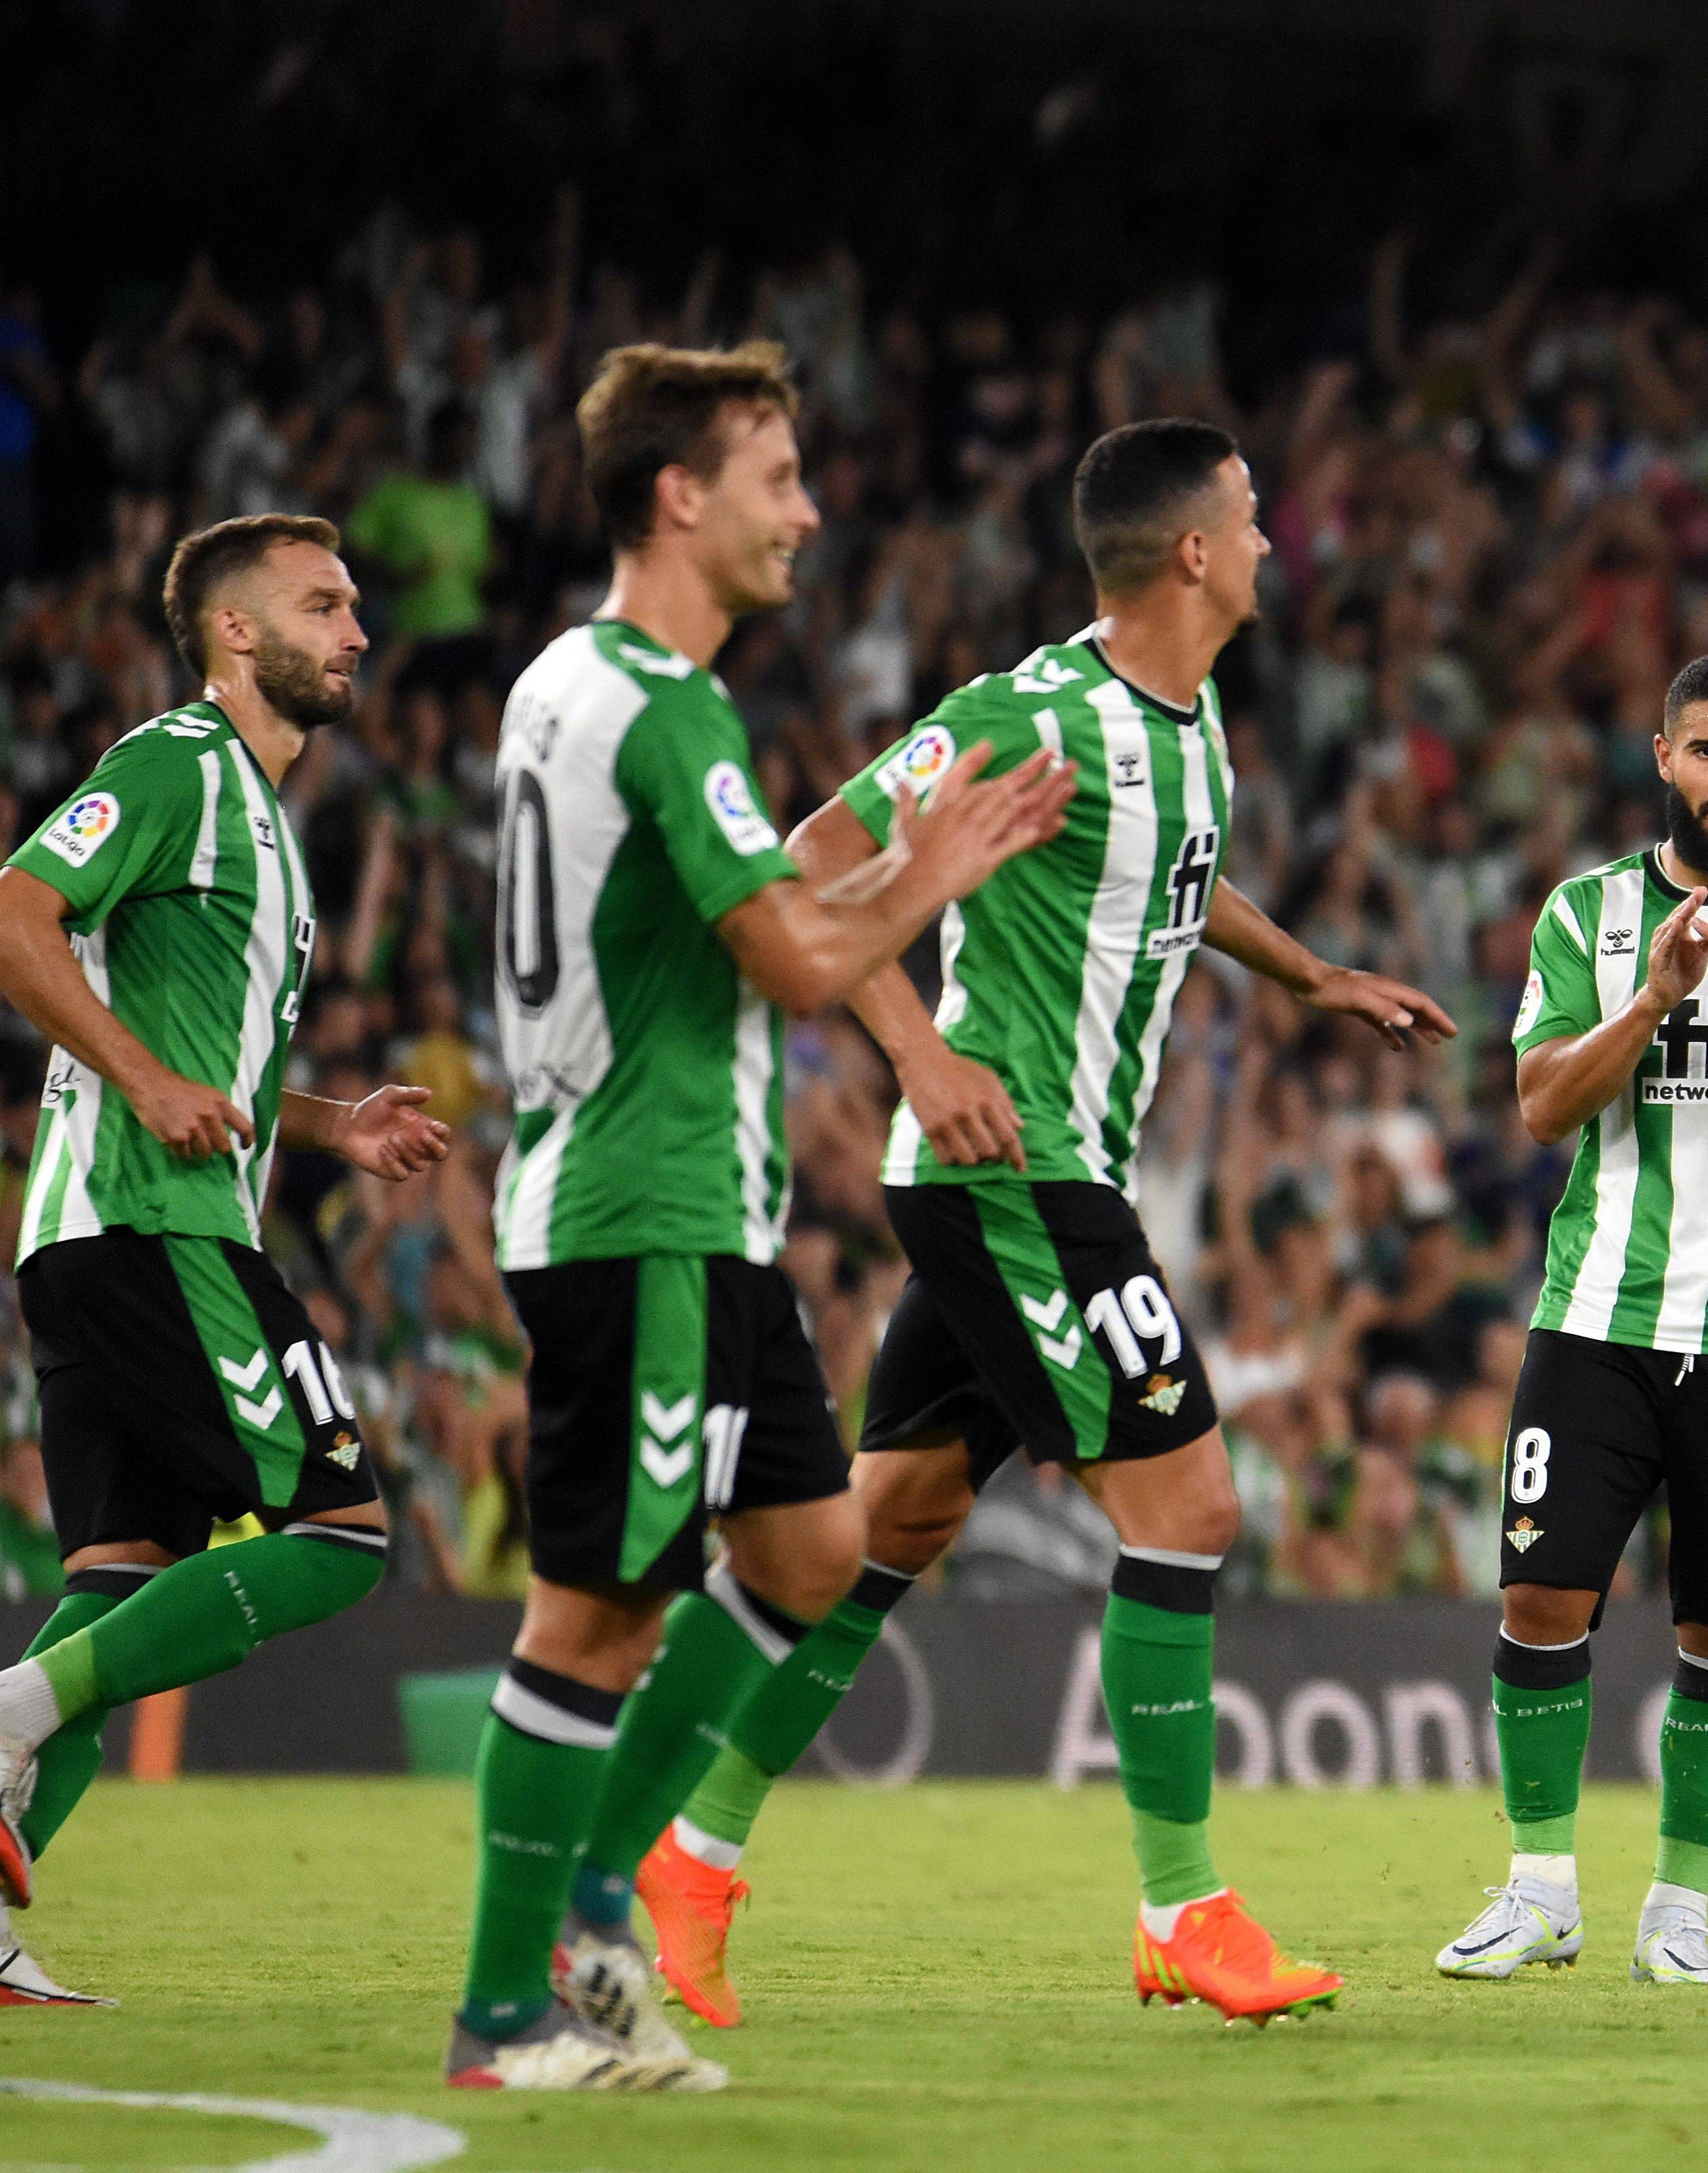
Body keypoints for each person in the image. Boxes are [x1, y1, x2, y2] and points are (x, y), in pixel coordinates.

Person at [632, 418, 1451, 2032]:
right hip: (1015, 1170)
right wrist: (921, 1055)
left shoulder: (1192, 726)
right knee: (1189, 1506)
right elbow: (813, 862)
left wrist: (1312, 976)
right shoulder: (1030, 710)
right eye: (1252, 518)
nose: (1272, 541)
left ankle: (690, 1854)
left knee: (885, 1532)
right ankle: (1183, 1907)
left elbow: (1175, 879)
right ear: (1193, 552)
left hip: (1048, 1177)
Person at [450, 343, 1072, 2092]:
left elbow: (749, 921)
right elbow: (797, 962)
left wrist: (904, 869)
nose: (806, 511)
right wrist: (932, 873)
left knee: (807, 1555)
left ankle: (596, 1910)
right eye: (777, 477)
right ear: (680, 495)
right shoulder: (664, 706)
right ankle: (507, 2011)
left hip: (704, 1222)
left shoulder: (573, 681)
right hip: (635, 1209)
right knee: (596, 1617)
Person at [0, 515, 455, 2004]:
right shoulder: (180, 764)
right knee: (340, 1535)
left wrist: (330, 1125)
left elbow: (212, 1066)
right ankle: (5, 1711)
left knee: (121, 1590)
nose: (358, 632)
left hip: (110, 1232)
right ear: (236, 632)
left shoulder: (263, 821)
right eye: (324, 606)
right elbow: (13, 913)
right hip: (152, 1224)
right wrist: (141, 1083)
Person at [1434, 651, 1708, 1990]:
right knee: (1542, 1593)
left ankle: (1679, 1913)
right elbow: (1541, 1105)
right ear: (1663, 758)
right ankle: (1540, 1890)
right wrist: (1655, 999)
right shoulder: (1584, 913)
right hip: (1597, 1315)